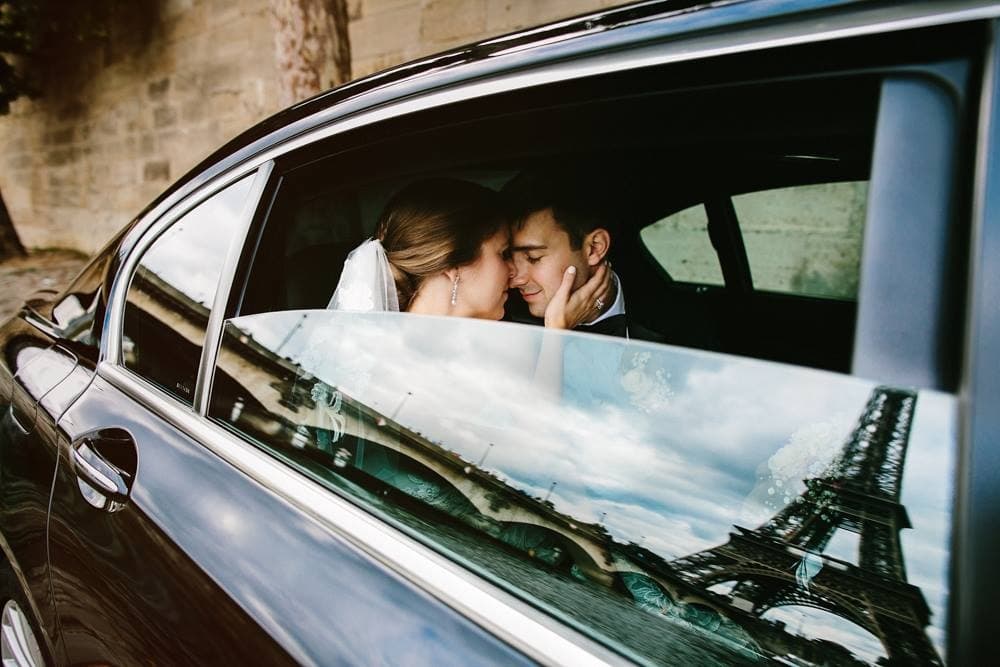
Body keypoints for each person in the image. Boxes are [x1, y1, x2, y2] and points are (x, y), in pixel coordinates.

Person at [329, 177, 604, 326]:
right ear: (453, 266)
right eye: (503, 254)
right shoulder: (402, 364)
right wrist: (556, 338)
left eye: (531, 257)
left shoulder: (486, 341)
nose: (513, 273)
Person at [503, 170, 625, 337]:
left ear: (594, 248)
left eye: (533, 258)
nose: (514, 281)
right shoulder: (503, 322)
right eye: (507, 256)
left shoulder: (658, 308)